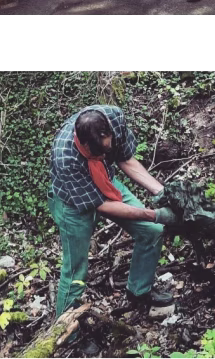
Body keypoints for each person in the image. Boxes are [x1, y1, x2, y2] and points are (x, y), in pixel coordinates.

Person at [49, 106, 181, 321]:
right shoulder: (65, 156)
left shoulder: (114, 118)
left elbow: (126, 160)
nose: (104, 156)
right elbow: (101, 205)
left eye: (106, 150)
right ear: (83, 144)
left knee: (151, 231)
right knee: (75, 271)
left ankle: (139, 291)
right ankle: (64, 330)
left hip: (106, 182)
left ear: (109, 131)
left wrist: (163, 193)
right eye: (97, 153)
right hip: (71, 202)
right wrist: (155, 214)